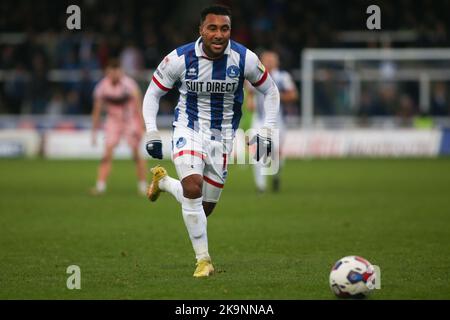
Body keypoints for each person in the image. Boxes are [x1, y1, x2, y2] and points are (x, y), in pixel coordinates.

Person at [142, 5, 280, 277]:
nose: (219, 34)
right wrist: (151, 130)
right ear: (201, 30)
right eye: (212, 28)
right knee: (193, 189)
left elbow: (271, 92)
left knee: (205, 208)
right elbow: (152, 94)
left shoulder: (244, 59)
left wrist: (267, 130)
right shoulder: (179, 58)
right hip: (187, 129)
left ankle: (165, 183)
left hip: (222, 138)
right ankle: (203, 260)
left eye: (224, 28)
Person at [90, 59, 147, 196]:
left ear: (120, 71)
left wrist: (142, 124)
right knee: (107, 153)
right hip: (113, 121)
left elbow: (139, 105)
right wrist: (94, 131)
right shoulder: (102, 86)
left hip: (130, 120)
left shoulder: (129, 84)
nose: (114, 74)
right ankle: (100, 186)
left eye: (116, 71)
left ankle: (143, 186)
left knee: (136, 153)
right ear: (107, 72)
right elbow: (97, 109)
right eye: (111, 71)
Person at [246, 51, 298, 192]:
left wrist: (273, 93)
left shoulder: (282, 77)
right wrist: (250, 101)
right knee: (259, 153)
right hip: (259, 119)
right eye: (266, 59)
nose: (268, 62)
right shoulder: (255, 74)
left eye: (271, 60)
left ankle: (276, 175)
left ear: (277, 62)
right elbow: (249, 89)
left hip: (277, 121)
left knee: (276, 156)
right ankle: (260, 187)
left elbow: (293, 94)